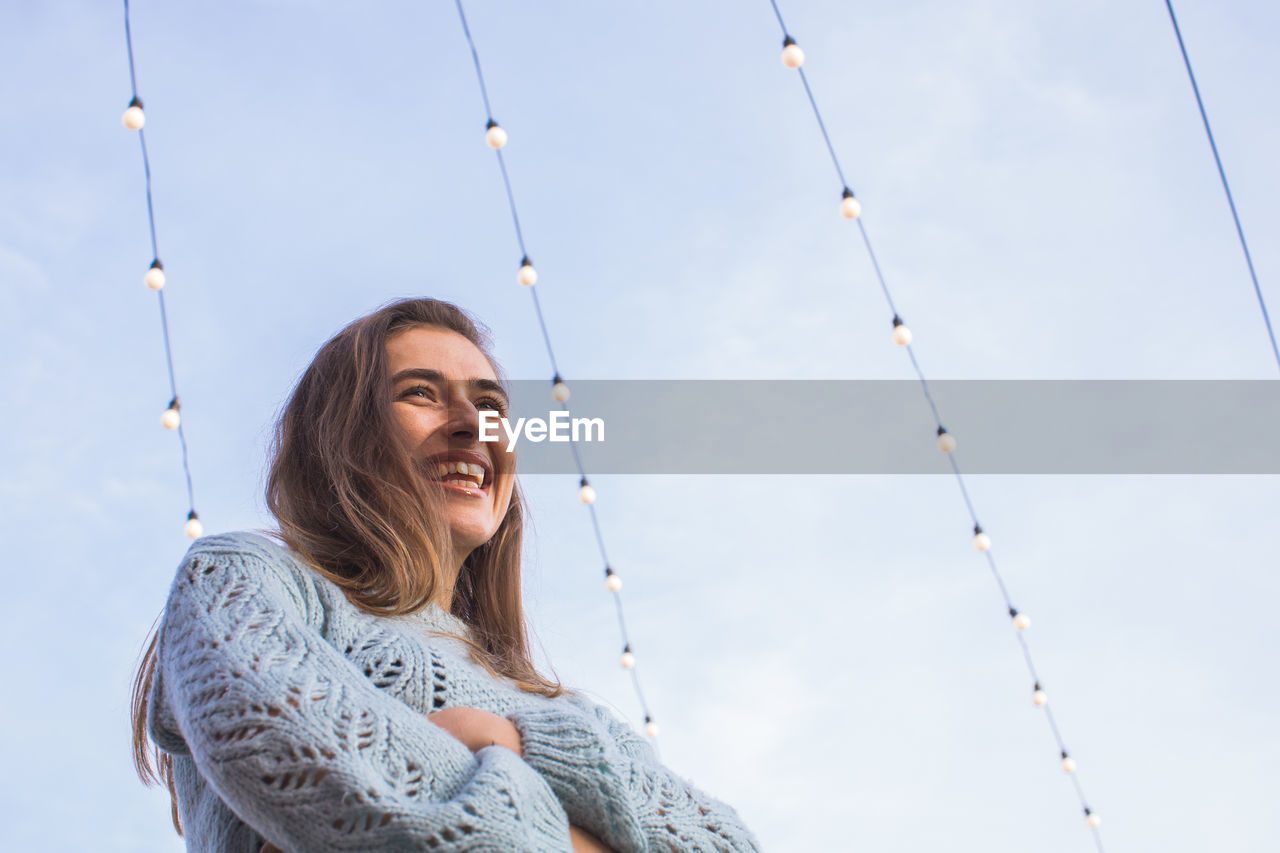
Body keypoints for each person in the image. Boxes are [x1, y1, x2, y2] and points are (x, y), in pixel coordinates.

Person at [129, 297, 762, 852]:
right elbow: (327, 782)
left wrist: (508, 741)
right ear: (341, 434)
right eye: (420, 394)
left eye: (490, 405)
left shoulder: (562, 708)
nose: (472, 425)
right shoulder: (248, 578)